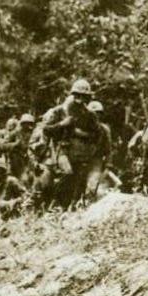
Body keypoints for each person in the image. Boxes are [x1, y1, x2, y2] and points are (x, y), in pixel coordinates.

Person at [42, 79, 105, 208]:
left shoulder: (90, 115)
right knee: (67, 173)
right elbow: (46, 130)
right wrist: (61, 124)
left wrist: (80, 134)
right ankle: (55, 205)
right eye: (77, 96)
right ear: (73, 95)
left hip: (80, 154)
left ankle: (68, 207)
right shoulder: (60, 111)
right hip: (63, 150)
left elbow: (98, 135)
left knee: (77, 181)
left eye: (84, 97)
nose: (80, 100)